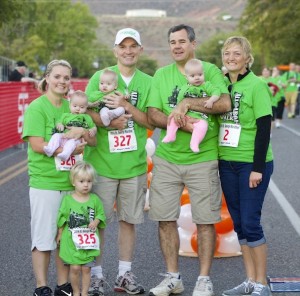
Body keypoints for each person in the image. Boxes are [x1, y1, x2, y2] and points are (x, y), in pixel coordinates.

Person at [147, 24, 231, 296]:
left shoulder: (210, 71)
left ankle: (204, 279)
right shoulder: (161, 74)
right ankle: (173, 277)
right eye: (172, 42)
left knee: (205, 220)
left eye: (182, 41)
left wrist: (187, 105)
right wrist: (183, 124)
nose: (177, 46)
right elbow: (153, 114)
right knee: (165, 219)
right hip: (168, 159)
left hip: (203, 158)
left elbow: (224, 104)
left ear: (193, 43)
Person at [84, 28, 153, 296]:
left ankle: (124, 274)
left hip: (134, 166)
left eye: (132, 45)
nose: (127, 50)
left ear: (140, 50)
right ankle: (97, 276)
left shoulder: (148, 82)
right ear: (115, 50)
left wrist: (127, 106)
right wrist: (110, 122)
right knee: (98, 222)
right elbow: (84, 110)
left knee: (128, 221)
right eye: (122, 46)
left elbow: (151, 121)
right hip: (101, 164)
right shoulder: (100, 77)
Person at [22, 59, 97, 296]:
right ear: (47, 78)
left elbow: (93, 140)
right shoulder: (37, 107)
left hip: (71, 183)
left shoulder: (73, 107)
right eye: (57, 76)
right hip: (45, 181)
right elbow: (36, 144)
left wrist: (85, 132)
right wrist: (66, 151)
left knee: (66, 235)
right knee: (44, 236)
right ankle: (41, 286)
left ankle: (63, 284)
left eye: (66, 77)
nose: (62, 81)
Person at [219, 36, 273, 296]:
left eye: (236, 53)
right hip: (226, 163)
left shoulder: (257, 85)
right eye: (227, 53)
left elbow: (264, 128)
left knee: (251, 223)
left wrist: (258, 168)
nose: (231, 58)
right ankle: (250, 280)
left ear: (247, 58)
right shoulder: (220, 85)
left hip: (251, 163)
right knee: (239, 223)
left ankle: (262, 283)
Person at [56, 161, 106, 296]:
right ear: (73, 182)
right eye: (82, 181)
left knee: (86, 269)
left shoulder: (94, 199)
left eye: (89, 181)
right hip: (72, 242)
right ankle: (76, 291)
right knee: (75, 268)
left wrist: (96, 221)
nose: (86, 184)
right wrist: (60, 233)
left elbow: (101, 214)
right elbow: (62, 217)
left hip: (88, 243)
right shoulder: (68, 200)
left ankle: (85, 293)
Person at [162, 58, 221, 152]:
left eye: (200, 74)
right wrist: (179, 112)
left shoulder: (206, 85)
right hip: (187, 116)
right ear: (187, 77)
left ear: (203, 74)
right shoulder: (185, 88)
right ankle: (170, 135)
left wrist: (211, 100)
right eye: (192, 76)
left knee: (203, 127)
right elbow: (179, 102)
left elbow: (217, 92)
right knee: (173, 119)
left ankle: (194, 143)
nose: (197, 78)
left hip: (201, 117)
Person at [44, 90, 97, 161]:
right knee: (56, 135)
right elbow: (59, 123)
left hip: (76, 139)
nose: (78, 109)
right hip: (65, 136)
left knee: (71, 143)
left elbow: (93, 126)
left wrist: (93, 130)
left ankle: (65, 154)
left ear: (86, 107)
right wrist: (60, 125)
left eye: (81, 107)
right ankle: (50, 149)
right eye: (75, 106)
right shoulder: (65, 116)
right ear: (70, 105)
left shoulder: (87, 117)